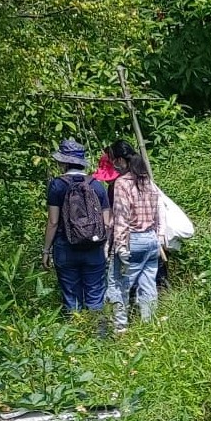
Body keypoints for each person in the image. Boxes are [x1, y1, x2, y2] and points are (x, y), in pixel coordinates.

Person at [41, 139, 110, 316]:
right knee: (95, 297)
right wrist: (106, 247)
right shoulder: (96, 185)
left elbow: (53, 222)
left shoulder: (57, 185)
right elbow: (107, 222)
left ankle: (76, 339)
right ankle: (100, 338)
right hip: (94, 248)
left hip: (65, 247)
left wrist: (46, 251)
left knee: (72, 298)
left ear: (64, 162)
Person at [108, 147, 165, 333]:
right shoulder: (147, 180)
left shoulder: (122, 183)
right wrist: (159, 236)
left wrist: (120, 245)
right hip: (151, 239)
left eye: (114, 160)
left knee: (119, 284)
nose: (114, 165)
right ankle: (149, 326)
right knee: (148, 285)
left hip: (132, 239)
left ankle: (120, 327)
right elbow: (159, 212)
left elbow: (121, 216)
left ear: (121, 160)